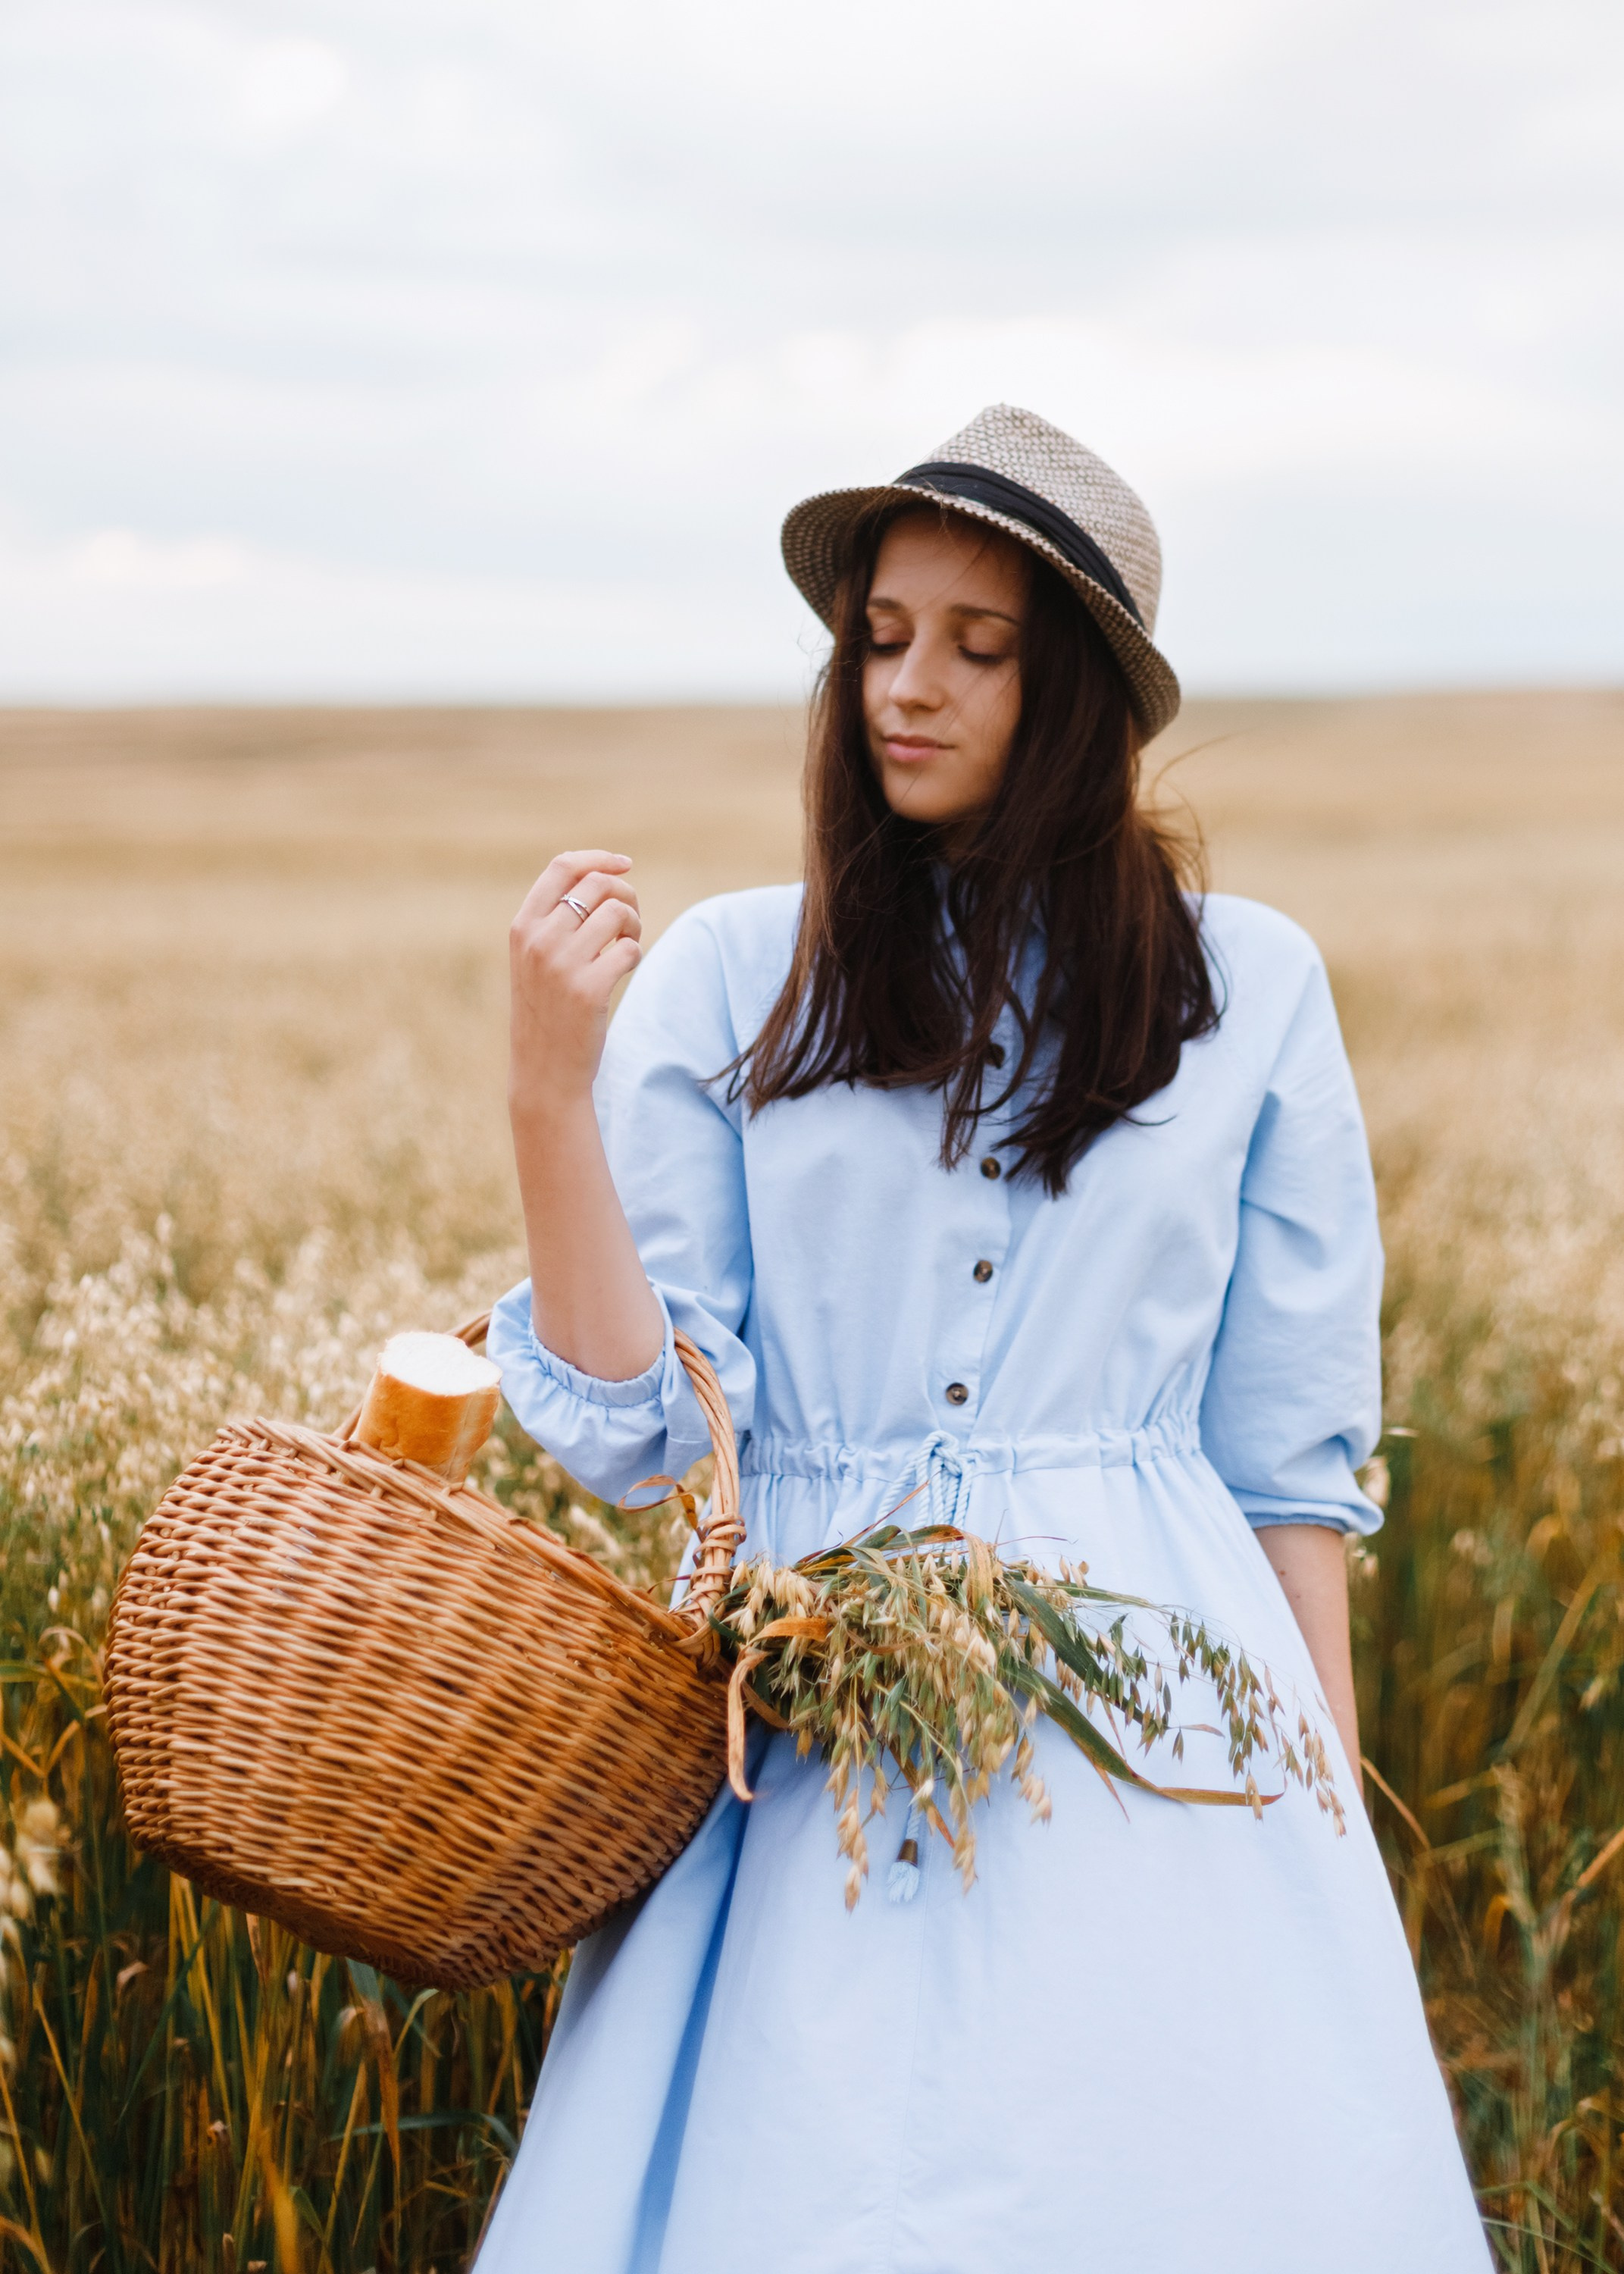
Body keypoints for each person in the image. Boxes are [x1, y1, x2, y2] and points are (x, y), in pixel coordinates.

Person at [477, 406, 1489, 2272]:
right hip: (797, 1716)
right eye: (878, 637)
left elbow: (1283, 1471)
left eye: (976, 645)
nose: (907, 687)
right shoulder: (735, 971)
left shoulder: (1247, 984)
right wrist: (550, 1091)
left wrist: (1324, 1845)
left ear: (1076, 693)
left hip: (1160, 1712)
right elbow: (645, 1432)